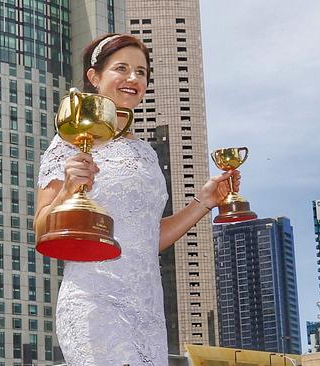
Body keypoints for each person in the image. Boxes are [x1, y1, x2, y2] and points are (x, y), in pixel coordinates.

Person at [35, 33, 239, 365]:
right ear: (94, 77)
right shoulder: (68, 140)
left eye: (141, 72)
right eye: (122, 68)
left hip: (147, 309)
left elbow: (148, 237)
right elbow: (43, 227)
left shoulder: (144, 152)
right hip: (94, 299)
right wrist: (69, 189)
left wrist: (204, 201)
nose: (133, 79)